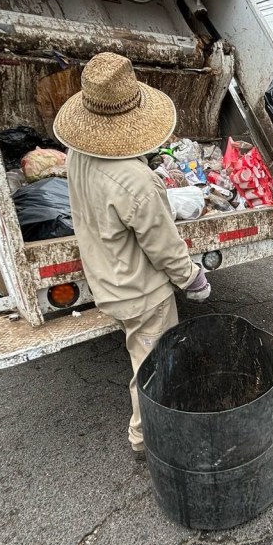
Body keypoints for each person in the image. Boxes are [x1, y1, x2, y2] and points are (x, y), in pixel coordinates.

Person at [54, 52, 211, 458]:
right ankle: (147, 440)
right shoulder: (137, 182)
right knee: (152, 364)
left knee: (141, 353)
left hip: (107, 278)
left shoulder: (78, 155)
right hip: (140, 291)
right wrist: (194, 278)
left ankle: (152, 434)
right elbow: (164, 248)